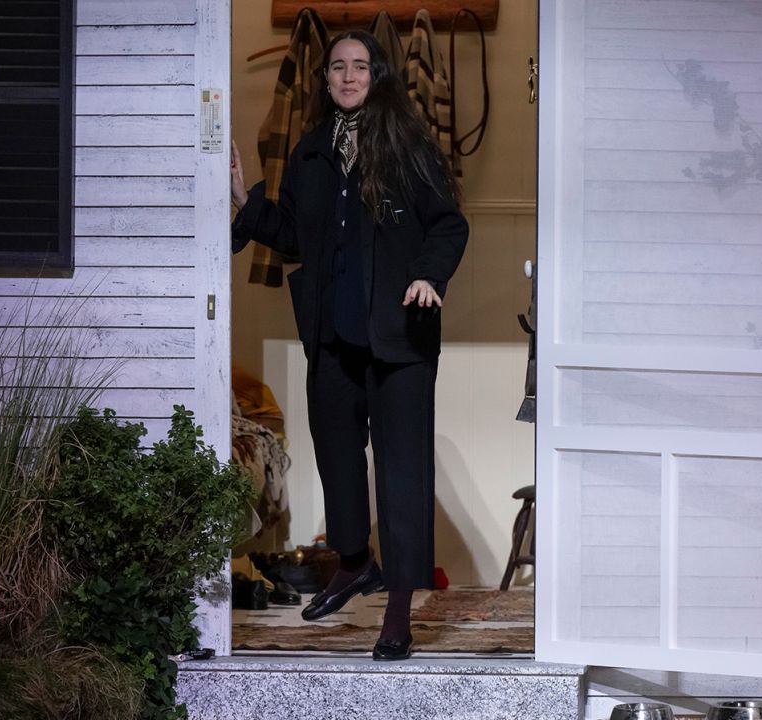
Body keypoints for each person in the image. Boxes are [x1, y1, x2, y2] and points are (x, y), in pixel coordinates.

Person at [230, 30, 468, 661]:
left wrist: (427, 274)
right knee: (336, 453)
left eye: (360, 66)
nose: (347, 75)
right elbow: (294, 234)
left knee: (400, 469)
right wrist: (241, 201)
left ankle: (398, 609)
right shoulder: (311, 153)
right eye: (337, 66)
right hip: (333, 335)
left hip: (397, 334)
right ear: (326, 78)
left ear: (377, 75)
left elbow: (448, 221)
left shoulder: (405, 143)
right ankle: (357, 560)